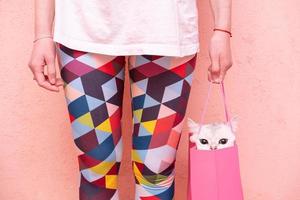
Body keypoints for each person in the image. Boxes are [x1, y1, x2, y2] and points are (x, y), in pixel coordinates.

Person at [28, 0, 233, 199]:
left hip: (167, 30)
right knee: (97, 173)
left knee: (155, 174)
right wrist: (42, 34)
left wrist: (222, 30)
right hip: (83, 27)